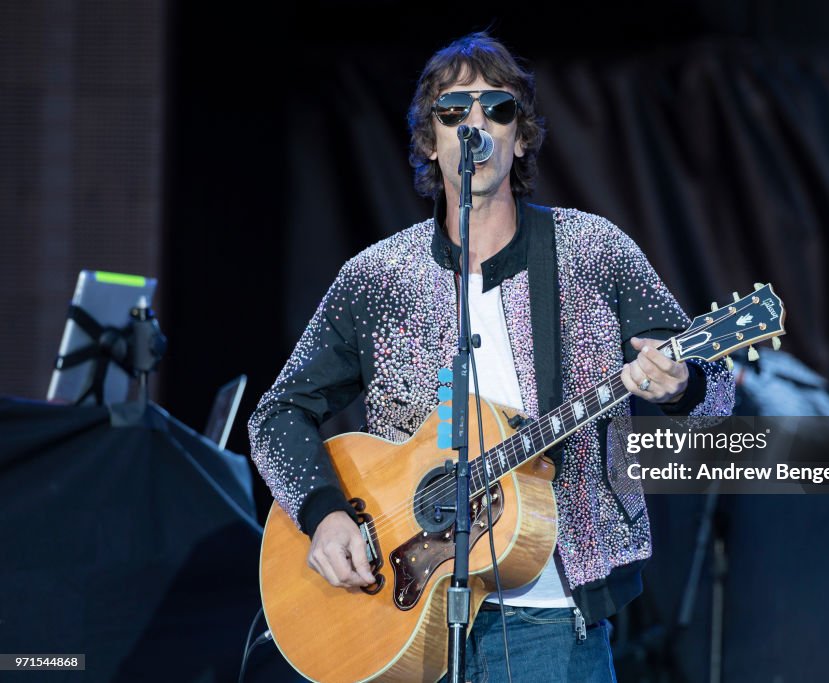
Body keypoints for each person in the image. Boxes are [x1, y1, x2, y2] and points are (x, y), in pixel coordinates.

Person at [248, 32, 735, 682]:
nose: (475, 125)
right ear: (428, 141)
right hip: (400, 609)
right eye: (454, 112)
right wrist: (324, 514)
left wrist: (680, 384)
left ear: (523, 135)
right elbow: (275, 415)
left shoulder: (591, 252)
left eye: (497, 110)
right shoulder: (378, 278)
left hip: (549, 620)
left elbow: (718, 391)